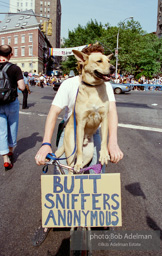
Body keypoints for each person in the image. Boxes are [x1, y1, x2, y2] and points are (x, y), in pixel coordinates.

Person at [33, 44, 123, 246]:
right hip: (72, 131)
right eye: (99, 61)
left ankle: (102, 214)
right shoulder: (69, 83)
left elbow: (111, 113)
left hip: (95, 132)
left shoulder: (106, 84)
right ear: (84, 62)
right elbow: (53, 113)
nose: (107, 66)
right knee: (64, 177)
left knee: (96, 175)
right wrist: (46, 143)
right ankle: (49, 220)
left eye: (106, 61)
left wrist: (113, 143)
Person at [0, 45, 25, 170]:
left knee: (1, 131)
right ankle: (10, 150)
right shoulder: (15, 68)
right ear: (10, 54)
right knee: (12, 127)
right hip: (11, 102)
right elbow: (22, 87)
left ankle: (5, 158)